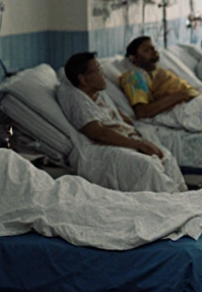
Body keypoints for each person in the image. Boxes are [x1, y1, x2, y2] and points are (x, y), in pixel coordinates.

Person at [58, 52, 186, 192]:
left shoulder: (100, 94)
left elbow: (121, 117)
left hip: (123, 138)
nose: (103, 74)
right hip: (101, 148)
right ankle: (168, 205)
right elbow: (99, 133)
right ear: (83, 79)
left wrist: (138, 134)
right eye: (99, 70)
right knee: (147, 166)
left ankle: (179, 198)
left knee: (166, 158)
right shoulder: (77, 100)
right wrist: (138, 144)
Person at [119, 36, 202, 120]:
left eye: (153, 48)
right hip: (186, 109)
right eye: (146, 50)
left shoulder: (160, 71)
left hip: (199, 100)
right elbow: (143, 112)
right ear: (134, 57)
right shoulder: (135, 76)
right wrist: (180, 96)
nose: (153, 51)